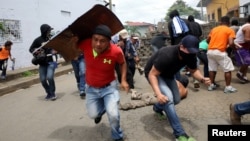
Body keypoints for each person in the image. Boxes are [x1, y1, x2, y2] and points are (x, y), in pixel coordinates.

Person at [144, 35, 211, 141]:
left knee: (176, 99)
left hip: (168, 75)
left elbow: (193, 71)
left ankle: (157, 108)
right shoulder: (167, 54)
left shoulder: (191, 55)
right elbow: (152, 75)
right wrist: (159, 94)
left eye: (194, 51)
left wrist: (202, 79)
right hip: (155, 74)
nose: (192, 53)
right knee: (169, 99)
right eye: (189, 50)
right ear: (182, 47)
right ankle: (179, 134)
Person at [77, 24, 129, 141]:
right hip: (91, 89)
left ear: (109, 42)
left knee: (113, 115)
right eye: (95, 40)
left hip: (109, 88)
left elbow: (123, 63)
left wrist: (123, 80)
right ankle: (102, 110)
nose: (98, 44)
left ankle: (117, 136)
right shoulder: (85, 44)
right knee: (93, 115)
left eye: (102, 41)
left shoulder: (116, 51)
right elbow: (71, 46)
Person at [206, 16, 237, 93]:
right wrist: (235, 48)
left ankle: (211, 85)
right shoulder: (230, 30)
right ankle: (228, 87)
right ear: (229, 23)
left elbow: (207, 40)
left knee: (212, 69)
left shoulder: (214, 29)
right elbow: (231, 43)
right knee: (227, 69)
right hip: (220, 51)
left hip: (210, 51)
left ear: (220, 22)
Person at [29, 24, 57, 100]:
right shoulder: (38, 40)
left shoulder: (51, 38)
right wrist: (36, 51)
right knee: (43, 80)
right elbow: (31, 49)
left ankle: (53, 93)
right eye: (49, 30)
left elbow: (57, 47)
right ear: (44, 31)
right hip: (42, 63)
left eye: (50, 30)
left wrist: (55, 51)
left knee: (50, 77)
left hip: (51, 62)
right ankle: (49, 93)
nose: (50, 32)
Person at [234, 15, 250, 83]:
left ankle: (244, 76)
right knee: (247, 61)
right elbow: (246, 39)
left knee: (246, 62)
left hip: (245, 46)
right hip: (240, 46)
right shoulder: (248, 27)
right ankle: (240, 73)